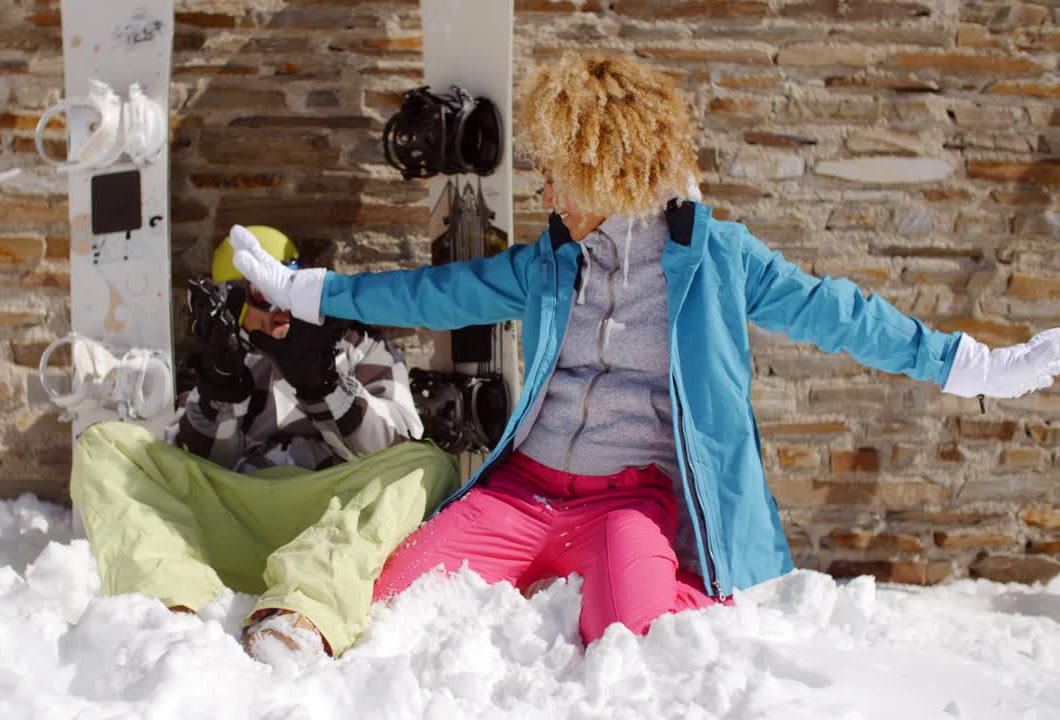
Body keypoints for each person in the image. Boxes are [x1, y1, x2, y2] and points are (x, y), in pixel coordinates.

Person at [230, 52, 1060, 645]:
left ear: (609, 168)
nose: (544, 189)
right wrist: (306, 294)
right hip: (520, 495)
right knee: (399, 598)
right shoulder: (550, 264)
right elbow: (428, 292)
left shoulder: (717, 260)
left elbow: (841, 315)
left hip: (627, 503)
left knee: (637, 633)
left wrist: (980, 367)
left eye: (557, 170)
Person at [69, 226, 459, 661]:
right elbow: (193, 465)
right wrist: (220, 390)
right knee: (104, 443)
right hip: (234, 514)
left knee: (429, 464)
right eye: (261, 295)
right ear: (228, 300)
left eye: (287, 287)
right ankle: (171, 606)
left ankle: (305, 611)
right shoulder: (219, 354)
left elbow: (398, 441)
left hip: (325, 513)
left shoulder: (354, 346)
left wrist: (323, 385)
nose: (278, 310)